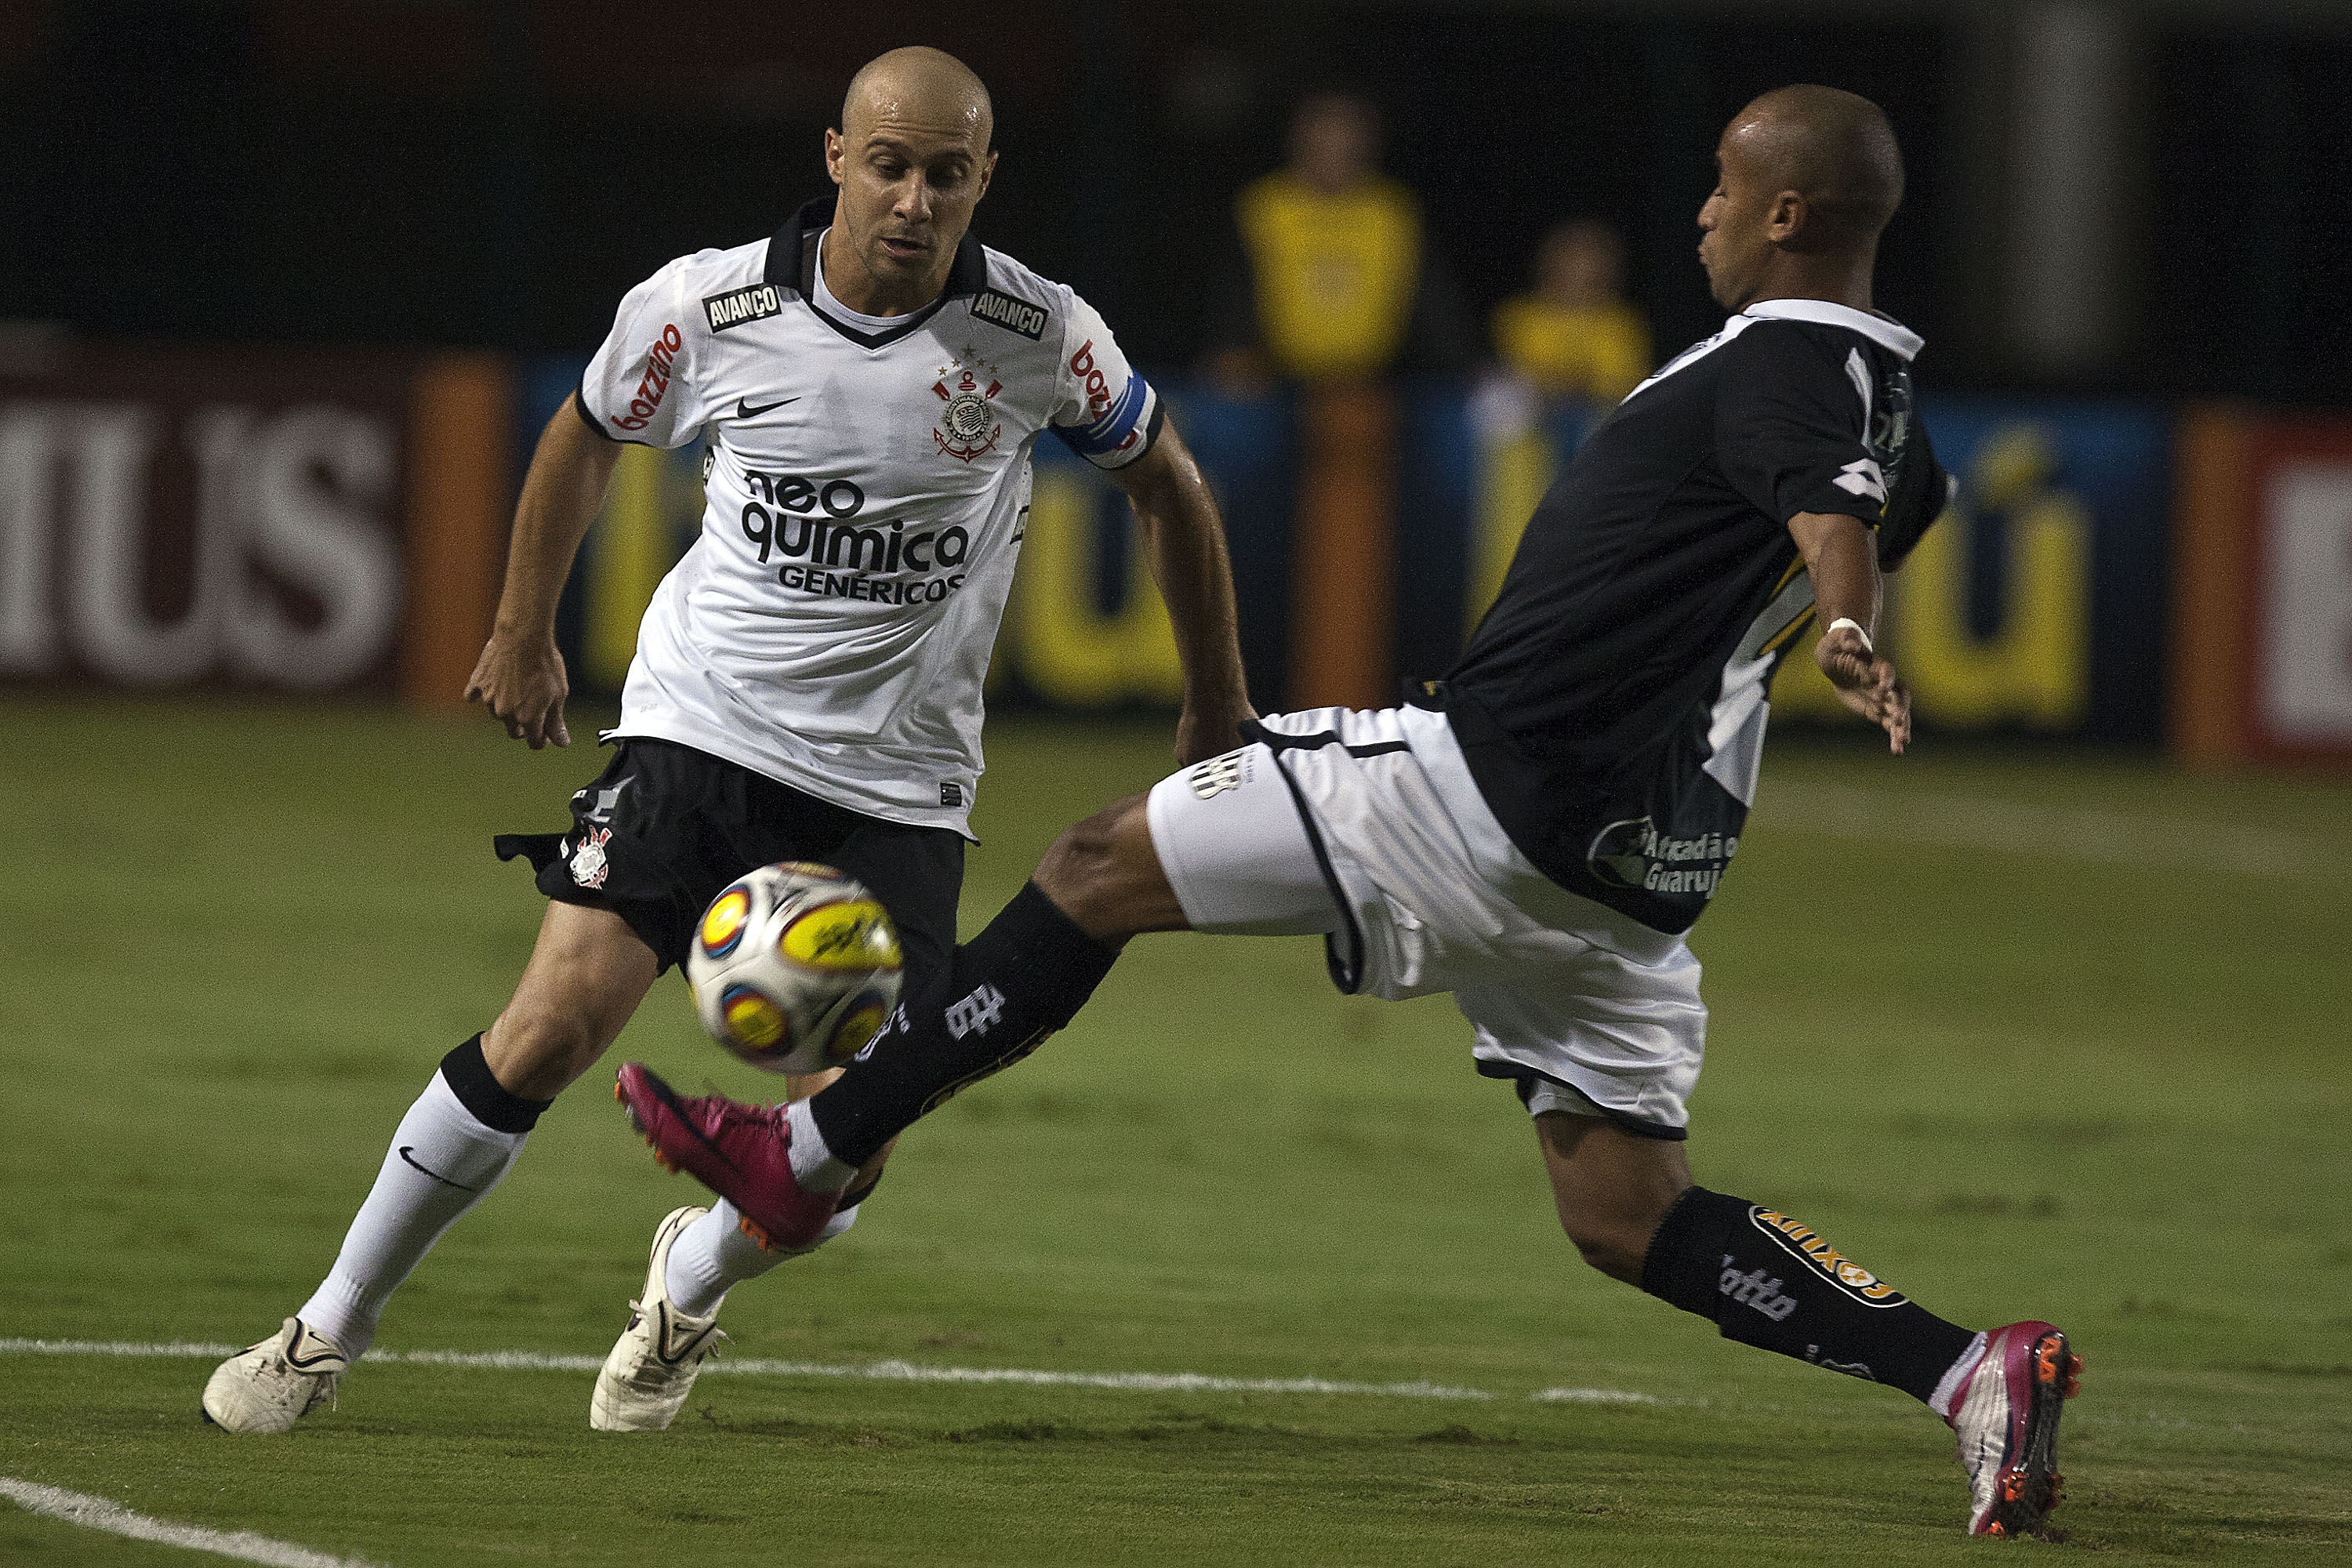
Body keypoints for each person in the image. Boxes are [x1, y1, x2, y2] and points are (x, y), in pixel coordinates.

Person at [621, 85, 2078, 1540]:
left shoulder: (1793, 359)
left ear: (1786, 215)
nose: (1699, 210)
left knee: (1094, 864)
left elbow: (1826, 509)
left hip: (1485, 791)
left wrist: (1839, 621)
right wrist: (1822, 598)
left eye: (1720, 184)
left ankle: (803, 1159)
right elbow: (1857, 500)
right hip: (1635, 869)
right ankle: (1968, 1373)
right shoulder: (1902, 412)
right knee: (1629, 1216)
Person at [198, 46, 1255, 1438]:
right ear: (836, 159)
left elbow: (1169, 486)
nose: (916, 199)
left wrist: (1215, 703)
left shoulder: (1040, 335)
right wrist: (524, 627)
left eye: (948, 173)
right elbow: (583, 436)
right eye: (890, 165)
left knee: (843, 1150)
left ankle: (688, 1278)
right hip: (702, 730)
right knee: (551, 1025)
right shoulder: (707, 303)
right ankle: (327, 1327)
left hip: (898, 790)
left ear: (986, 179)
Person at [1203, 90, 1478, 390]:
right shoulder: (1265, 206)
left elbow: (1433, 303)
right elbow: (1234, 291)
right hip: (1277, 385)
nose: (1333, 156)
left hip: (1374, 385)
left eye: (1346, 146)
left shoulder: (1392, 212)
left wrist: (1466, 365)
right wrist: (1232, 349)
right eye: (1321, 144)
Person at [1490, 219, 1651, 406]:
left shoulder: (1623, 325)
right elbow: (1515, 376)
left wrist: (1571, 385)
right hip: (1533, 416)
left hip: (1598, 417)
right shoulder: (1517, 316)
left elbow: (1624, 385)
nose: (1577, 269)